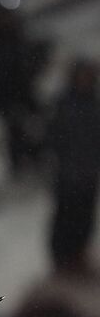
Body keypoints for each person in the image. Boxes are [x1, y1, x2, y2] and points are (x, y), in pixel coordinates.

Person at [0, 0, 49, 176]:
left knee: (36, 125)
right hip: (3, 95)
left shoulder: (19, 35)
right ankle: (19, 165)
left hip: (25, 91)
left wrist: (33, 65)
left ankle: (38, 160)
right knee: (15, 130)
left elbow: (34, 57)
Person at [44, 59, 100, 271]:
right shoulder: (63, 104)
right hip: (67, 175)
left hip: (88, 175)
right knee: (64, 220)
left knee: (85, 221)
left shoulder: (94, 105)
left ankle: (80, 256)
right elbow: (52, 136)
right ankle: (62, 259)